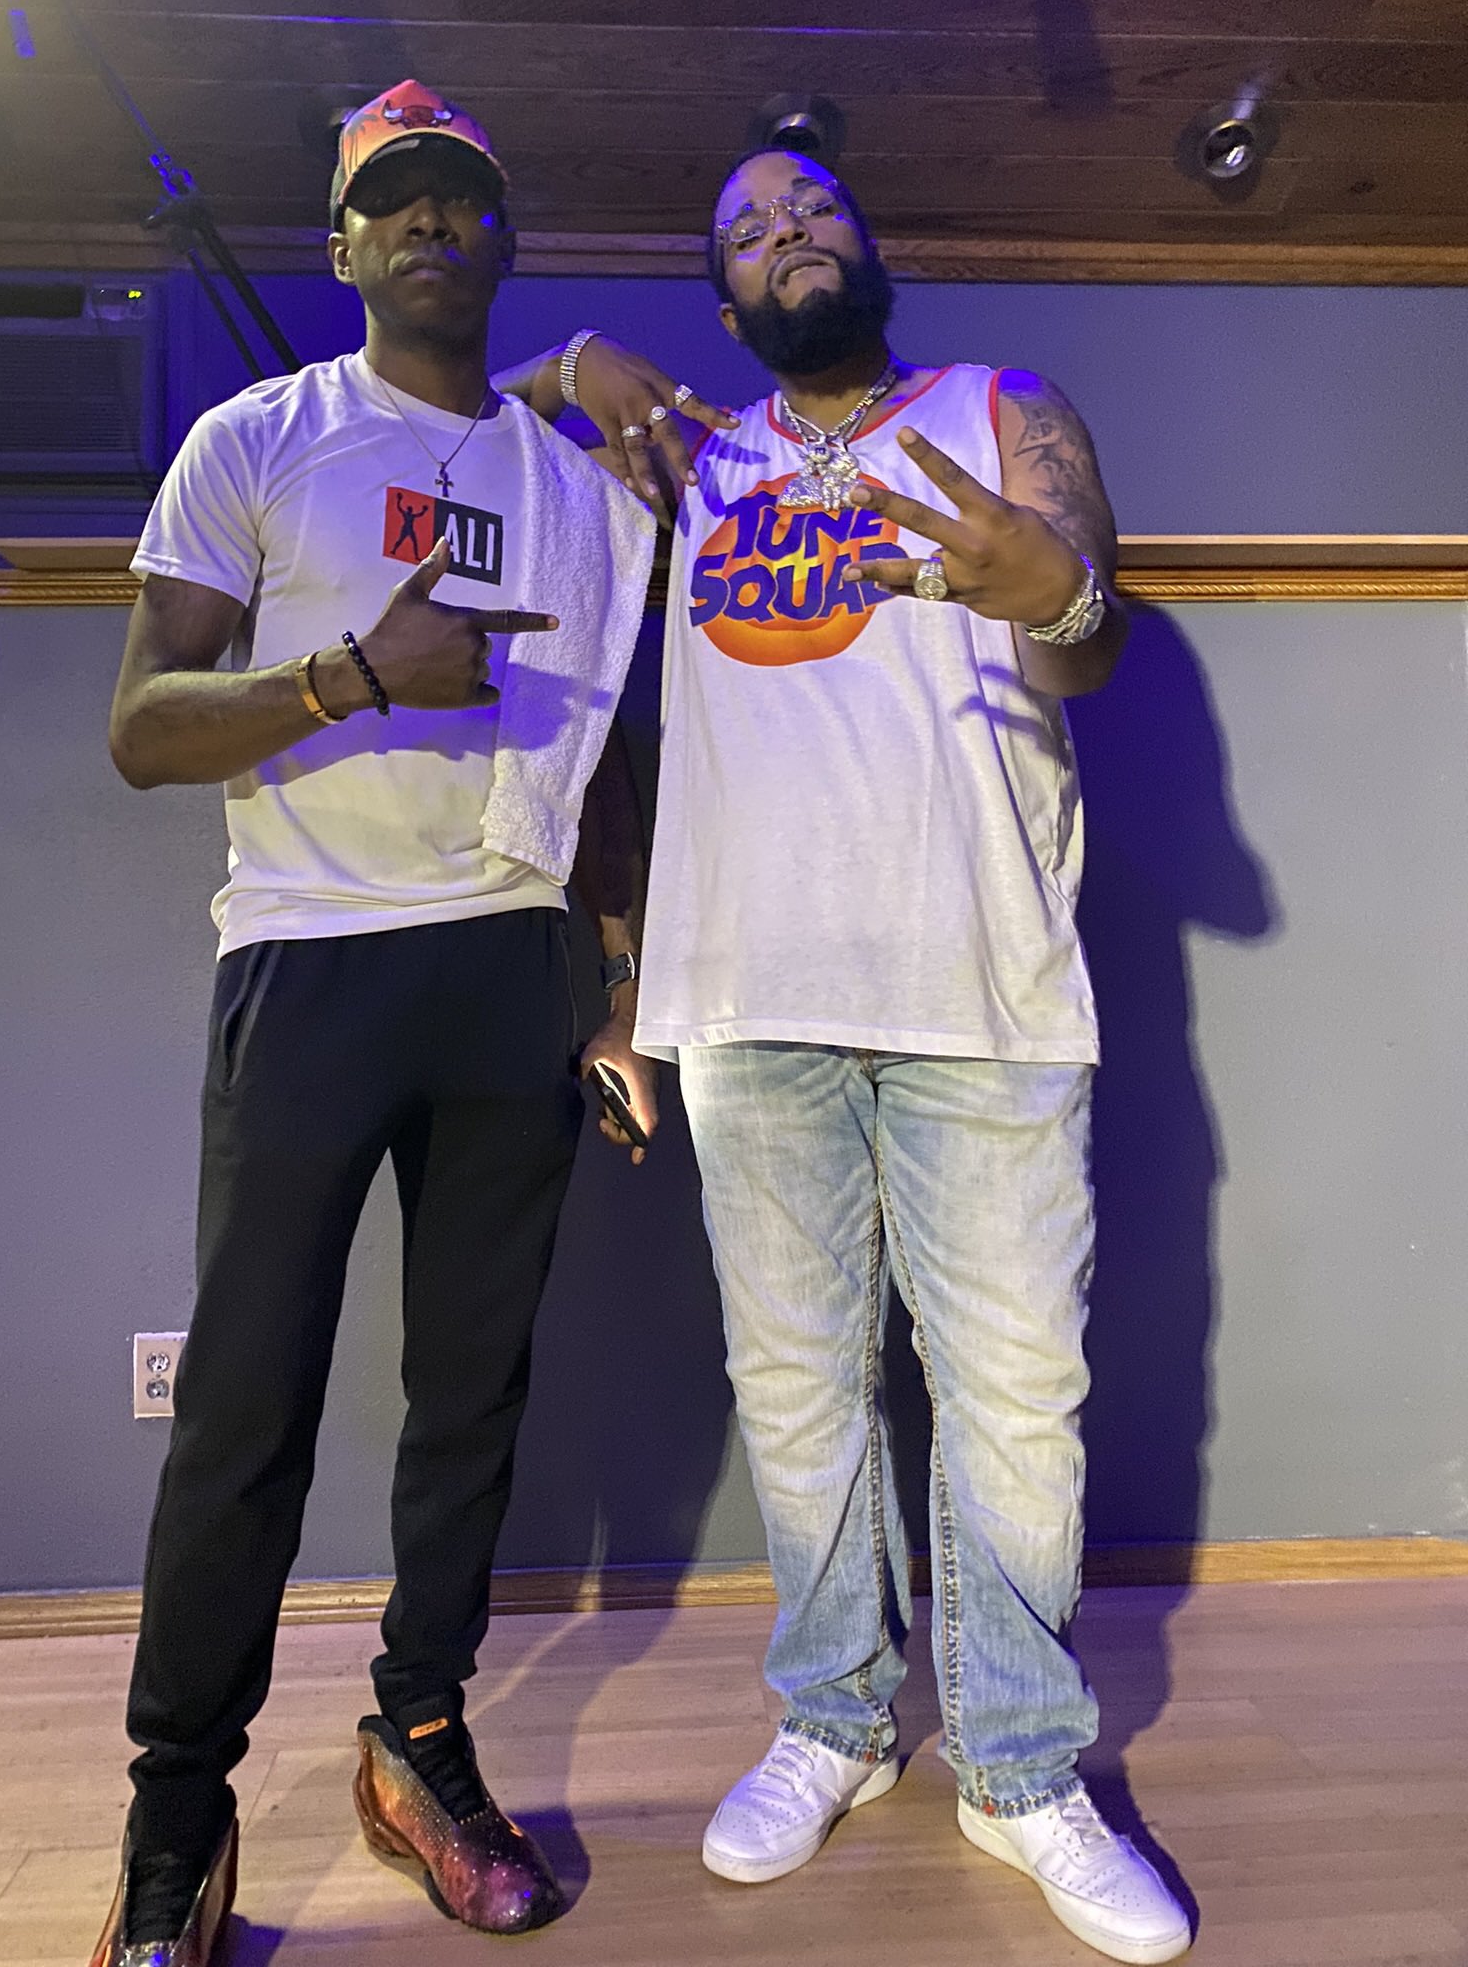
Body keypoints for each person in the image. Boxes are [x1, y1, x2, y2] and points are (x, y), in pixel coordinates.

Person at [90, 82, 722, 1965]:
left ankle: (421, 1740)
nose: (431, 224)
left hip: (511, 964)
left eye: (463, 200)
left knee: (472, 1396)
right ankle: (177, 1817)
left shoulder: (576, 486)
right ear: (345, 246)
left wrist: (620, 989)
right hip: (309, 961)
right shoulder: (257, 438)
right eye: (396, 203)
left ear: (503, 239)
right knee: (246, 1405)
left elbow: (603, 759)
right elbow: (141, 726)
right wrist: (353, 675)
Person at [626, 149, 1192, 1965]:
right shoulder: (686, 458)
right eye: (744, 230)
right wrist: (568, 365)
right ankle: (839, 1722)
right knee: (797, 1392)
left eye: (810, 208)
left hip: (979, 984)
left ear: (869, 246)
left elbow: (1089, 637)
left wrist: (1054, 593)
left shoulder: (1003, 410)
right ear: (725, 304)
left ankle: (1020, 1771)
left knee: (1014, 1396)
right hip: (750, 992)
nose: (784, 234)